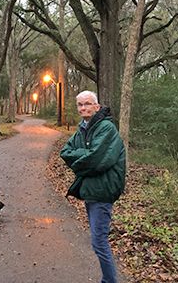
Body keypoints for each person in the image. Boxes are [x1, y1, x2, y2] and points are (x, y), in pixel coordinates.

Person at [60, 90, 126, 283]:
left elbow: (97, 160)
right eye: (80, 105)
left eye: (87, 104)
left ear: (96, 106)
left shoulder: (106, 128)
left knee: (99, 242)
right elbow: (65, 151)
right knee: (98, 240)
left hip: (103, 190)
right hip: (90, 189)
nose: (83, 108)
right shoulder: (83, 127)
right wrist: (85, 154)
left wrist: (83, 157)